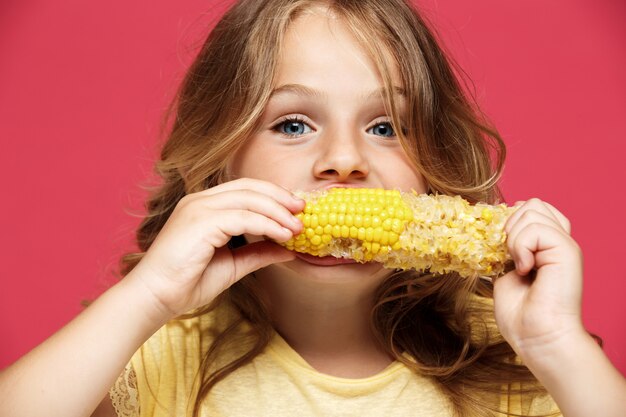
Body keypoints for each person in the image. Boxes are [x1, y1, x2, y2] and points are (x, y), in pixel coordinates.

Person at [1, 0, 624, 416]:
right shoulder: (161, 354)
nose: (344, 160)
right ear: (221, 161)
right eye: (293, 124)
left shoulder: (511, 364)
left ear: (437, 163)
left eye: (387, 127)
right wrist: (148, 297)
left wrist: (557, 346)